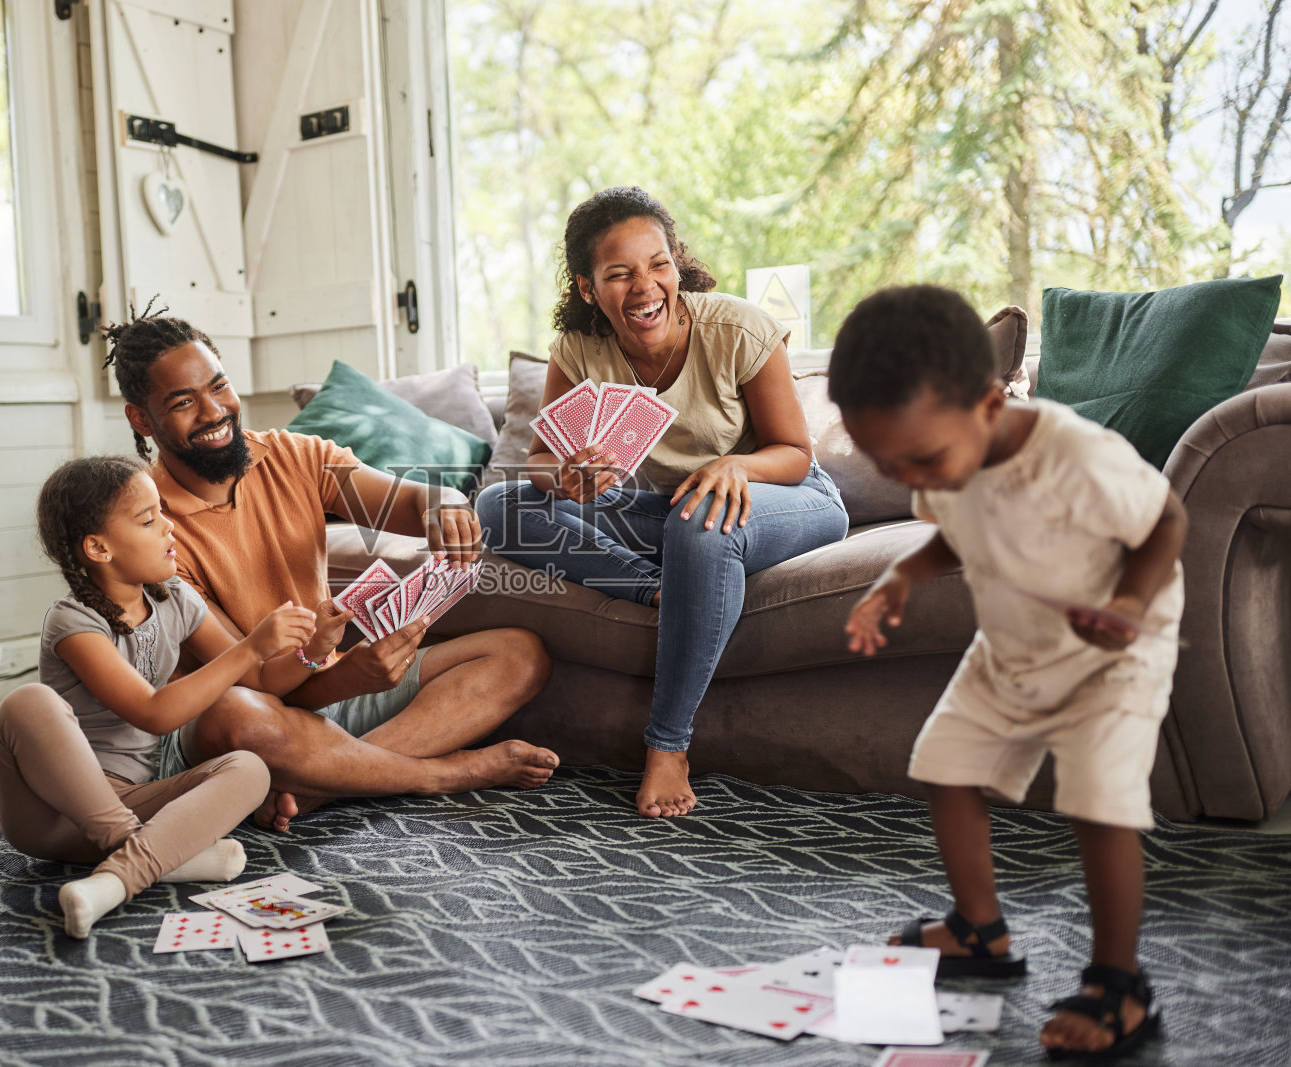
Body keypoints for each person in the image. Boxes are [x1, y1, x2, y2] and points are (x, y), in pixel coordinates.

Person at [832, 285, 1185, 1060]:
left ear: (991, 404)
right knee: (946, 765)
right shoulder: (942, 458)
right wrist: (900, 578)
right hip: (1015, 641)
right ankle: (979, 929)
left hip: (1114, 648)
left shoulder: (1075, 455)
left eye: (919, 459)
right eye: (886, 461)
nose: (910, 474)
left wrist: (1127, 603)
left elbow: (1165, 519)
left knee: (1099, 804)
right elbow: (956, 533)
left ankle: (1120, 984)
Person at [102, 306, 559, 834]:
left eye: (219, 386)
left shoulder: (296, 456)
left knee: (520, 655)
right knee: (239, 714)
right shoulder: (149, 529)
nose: (213, 411)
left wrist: (443, 502)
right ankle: (435, 775)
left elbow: (406, 500)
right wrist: (347, 676)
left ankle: (316, 785)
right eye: (183, 402)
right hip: (251, 711)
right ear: (142, 419)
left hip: (327, 696)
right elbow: (256, 680)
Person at [475, 186, 849, 819]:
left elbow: (795, 453)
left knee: (701, 524)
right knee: (499, 506)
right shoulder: (579, 350)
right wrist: (565, 478)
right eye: (619, 274)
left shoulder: (737, 329)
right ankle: (659, 588)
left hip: (783, 497)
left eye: (657, 265)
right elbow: (538, 461)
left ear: (676, 264)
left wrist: (736, 465)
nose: (644, 286)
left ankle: (668, 745)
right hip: (659, 509)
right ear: (589, 287)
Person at [0, 455, 321, 939]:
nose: (169, 528)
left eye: (162, 512)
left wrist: (316, 649)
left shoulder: (173, 597)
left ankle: (123, 872)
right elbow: (153, 714)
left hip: (134, 796)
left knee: (251, 768)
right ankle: (144, 856)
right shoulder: (73, 623)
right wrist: (251, 645)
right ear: (98, 548)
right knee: (27, 702)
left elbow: (261, 681)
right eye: (149, 520)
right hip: (52, 812)